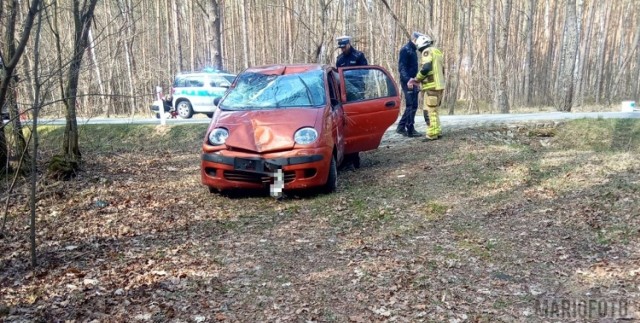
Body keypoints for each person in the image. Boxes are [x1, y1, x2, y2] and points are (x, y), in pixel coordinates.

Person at [408, 34, 445, 140]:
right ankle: (437, 131)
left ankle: (432, 134)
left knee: (428, 111)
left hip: (431, 86)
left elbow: (426, 68)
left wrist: (417, 79)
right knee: (434, 110)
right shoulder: (437, 51)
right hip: (439, 85)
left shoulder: (426, 52)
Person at [396, 32, 424, 137]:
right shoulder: (405, 50)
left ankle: (401, 127)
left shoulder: (413, 50)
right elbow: (402, 68)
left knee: (413, 105)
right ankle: (410, 129)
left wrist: (416, 80)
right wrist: (408, 80)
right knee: (411, 105)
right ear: (415, 39)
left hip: (413, 81)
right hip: (407, 82)